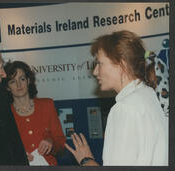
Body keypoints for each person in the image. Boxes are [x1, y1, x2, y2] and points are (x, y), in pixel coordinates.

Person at [65, 30, 168, 166]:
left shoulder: (124, 108)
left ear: (122, 64)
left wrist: (86, 160)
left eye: (100, 63)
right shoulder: (149, 95)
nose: (95, 72)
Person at [3, 61, 66, 166]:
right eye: (12, 81)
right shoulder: (5, 113)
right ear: (7, 87)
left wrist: (51, 142)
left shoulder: (47, 105)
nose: (19, 84)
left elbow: (61, 144)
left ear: (28, 81)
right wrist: (17, 156)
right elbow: (2, 148)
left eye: (22, 79)